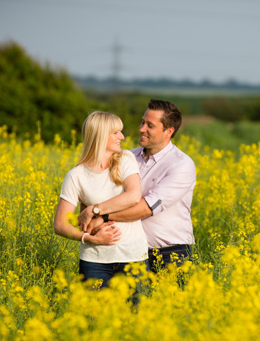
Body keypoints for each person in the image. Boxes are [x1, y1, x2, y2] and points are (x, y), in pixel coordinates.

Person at [79, 99, 196, 273]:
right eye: (142, 122)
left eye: (150, 125)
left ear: (168, 131)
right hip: (129, 253)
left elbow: (147, 207)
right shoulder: (126, 158)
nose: (141, 129)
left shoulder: (181, 164)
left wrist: (100, 215)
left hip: (170, 254)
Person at [54, 111, 148, 290]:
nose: (122, 136)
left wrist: (93, 210)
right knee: (95, 317)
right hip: (94, 261)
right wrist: (90, 239)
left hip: (133, 257)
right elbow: (60, 224)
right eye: (116, 133)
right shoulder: (76, 175)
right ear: (100, 135)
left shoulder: (125, 160)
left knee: (135, 316)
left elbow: (134, 195)